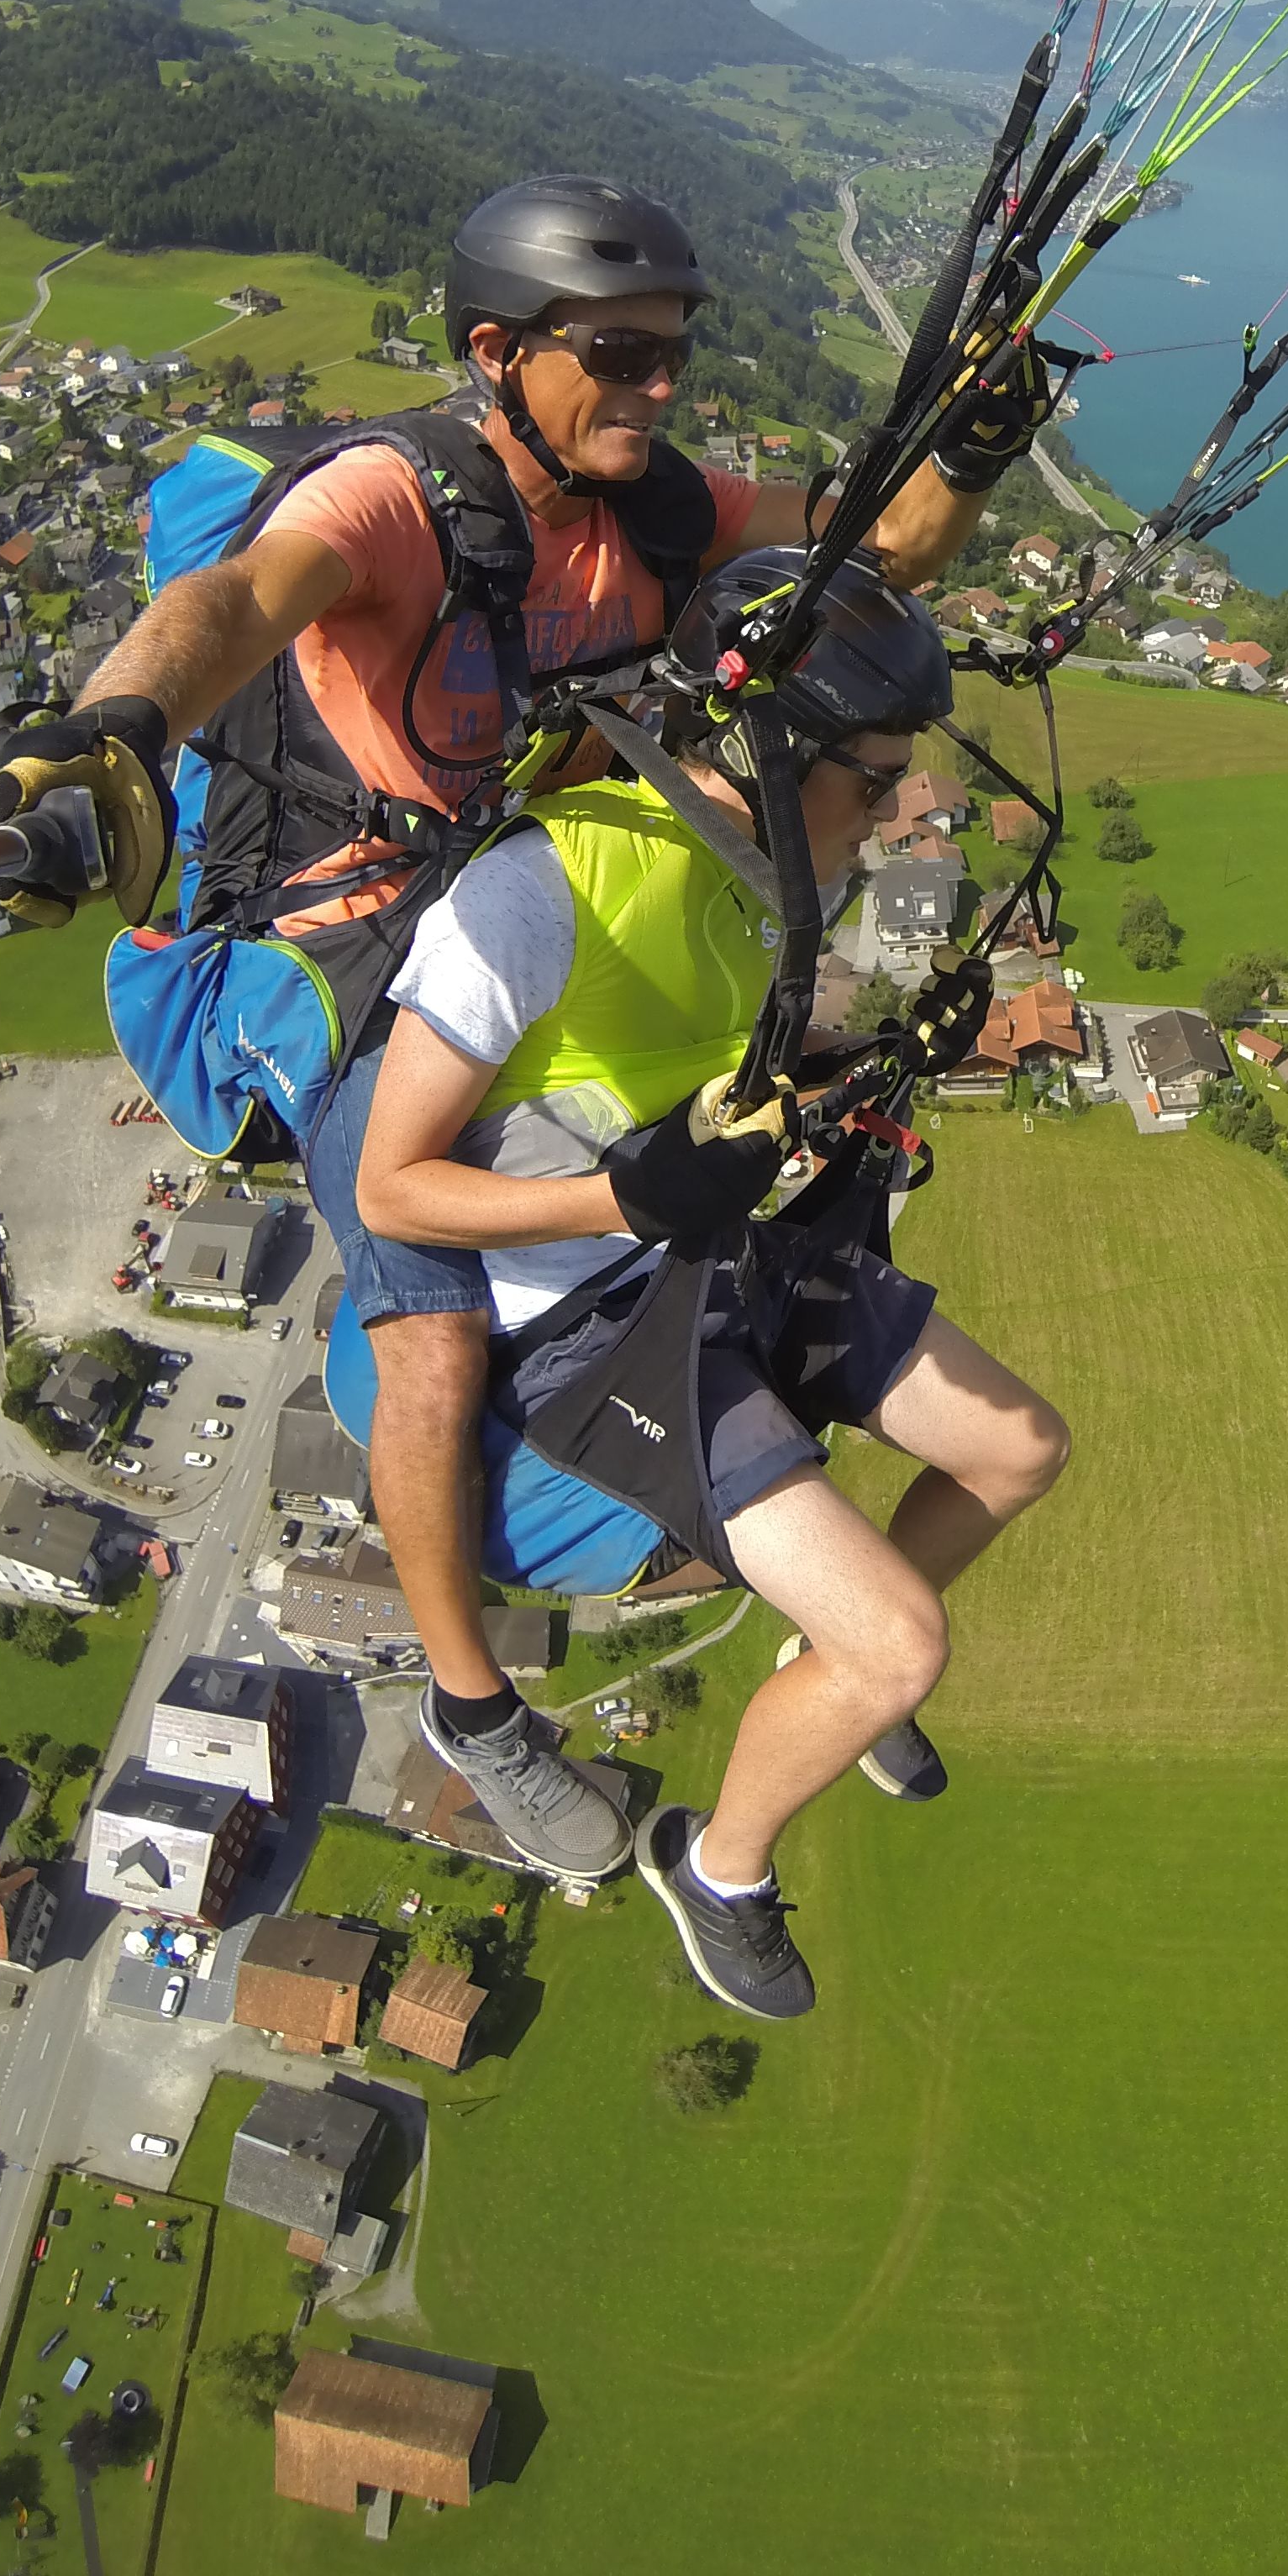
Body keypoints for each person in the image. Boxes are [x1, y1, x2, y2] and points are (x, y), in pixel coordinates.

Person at [0, 175, 1047, 1887]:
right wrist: (112, 731)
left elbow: (862, 558)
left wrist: (969, 453)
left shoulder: (655, 505)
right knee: (431, 1333)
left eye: (672, 353)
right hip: (337, 955)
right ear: (499, 349)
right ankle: (476, 1711)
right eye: (617, 352)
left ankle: (846, 1638)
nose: (656, 385)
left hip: (530, 897)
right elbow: (242, 604)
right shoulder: (402, 500)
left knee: (781, 1130)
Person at [350, 549, 1070, 2017]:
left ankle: (832, 1675)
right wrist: (615, 1198)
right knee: (904, 1642)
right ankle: (722, 1865)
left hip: (711, 1248)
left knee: (1017, 1445)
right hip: (585, 1317)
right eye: (872, 780)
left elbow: (710, 1072)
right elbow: (389, 1186)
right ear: (776, 749)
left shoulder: (768, 881)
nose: (890, 811)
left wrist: (885, 1051)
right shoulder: (544, 891)